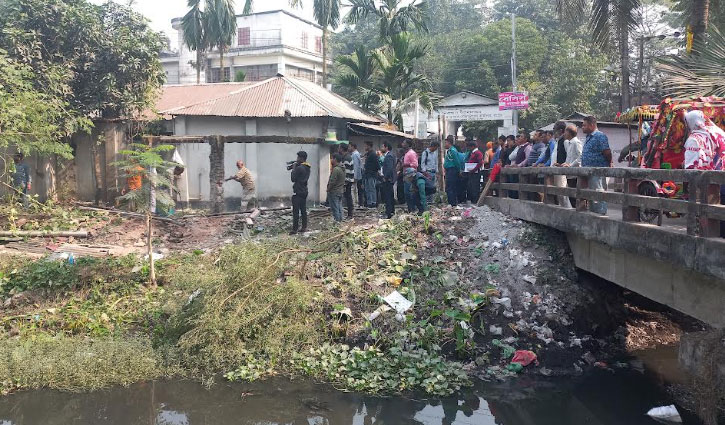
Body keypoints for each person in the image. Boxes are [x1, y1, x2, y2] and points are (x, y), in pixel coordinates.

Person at [581, 115, 612, 215]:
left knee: (599, 194)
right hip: (589, 172)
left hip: (598, 172)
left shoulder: (600, 136)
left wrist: (609, 163)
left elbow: (607, 152)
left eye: (584, 125)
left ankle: (601, 216)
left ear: (592, 125)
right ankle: (594, 215)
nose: (582, 127)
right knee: (592, 196)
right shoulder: (589, 137)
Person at [289, 151, 311, 234]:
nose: (297, 159)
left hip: (298, 191)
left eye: (298, 157)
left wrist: (294, 168)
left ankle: (295, 229)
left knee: (296, 211)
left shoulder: (299, 168)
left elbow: (293, 179)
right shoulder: (307, 167)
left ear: (302, 158)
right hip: (304, 191)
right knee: (303, 210)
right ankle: (304, 227)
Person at [443, 135, 463, 206]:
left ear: (449, 143)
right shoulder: (450, 151)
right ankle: (451, 202)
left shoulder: (453, 151)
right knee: (449, 187)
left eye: (445, 143)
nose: (444, 144)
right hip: (449, 171)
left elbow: (457, 161)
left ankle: (452, 203)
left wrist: (459, 170)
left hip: (452, 171)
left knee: (450, 187)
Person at [401, 140, 419, 213]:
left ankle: (412, 209)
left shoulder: (411, 153)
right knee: (407, 192)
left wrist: (406, 165)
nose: (402, 144)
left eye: (404, 143)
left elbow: (415, 164)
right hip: (406, 174)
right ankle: (410, 209)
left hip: (410, 174)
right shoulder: (407, 153)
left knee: (409, 192)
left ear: (408, 144)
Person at [380, 142, 397, 219]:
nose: (381, 148)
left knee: (388, 196)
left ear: (386, 147)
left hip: (388, 179)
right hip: (390, 178)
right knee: (390, 195)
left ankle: (389, 213)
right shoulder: (390, 155)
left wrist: (385, 177)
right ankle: (391, 211)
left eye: (382, 147)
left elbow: (389, 168)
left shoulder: (389, 156)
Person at [327, 154, 345, 222]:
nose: (331, 160)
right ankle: (340, 221)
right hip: (340, 190)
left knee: (335, 208)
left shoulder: (336, 169)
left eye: (332, 158)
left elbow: (332, 181)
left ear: (335, 159)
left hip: (334, 191)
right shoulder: (343, 168)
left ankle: (337, 222)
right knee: (339, 207)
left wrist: (328, 189)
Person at [340, 144, 355, 219]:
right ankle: (350, 213)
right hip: (348, 180)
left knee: (348, 197)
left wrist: (345, 182)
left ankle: (350, 214)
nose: (338, 149)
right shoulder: (346, 157)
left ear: (342, 149)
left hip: (348, 181)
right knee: (348, 196)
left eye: (339, 148)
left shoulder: (346, 158)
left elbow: (347, 171)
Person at [363, 141, 379, 208]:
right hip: (367, 174)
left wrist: (373, 171)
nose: (365, 147)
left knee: (372, 189)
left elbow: (377, 165)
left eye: (366, 146)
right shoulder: (368, 154)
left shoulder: (373, 154)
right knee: (367, 189)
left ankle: (373, 203)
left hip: (371, 174)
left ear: (369, 146)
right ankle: (369, 203)